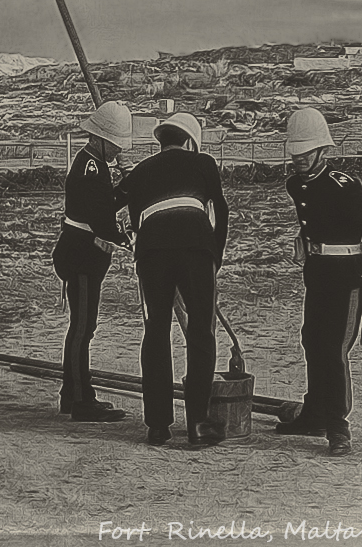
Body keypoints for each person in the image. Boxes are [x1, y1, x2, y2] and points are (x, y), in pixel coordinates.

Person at [278, 107, 362, 456]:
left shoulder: (343, 186)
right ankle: (313, 413)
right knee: (311, 340)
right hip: (317, 275)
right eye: (295, 151)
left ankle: (338, 425)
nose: (299, 158)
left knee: (334, 349)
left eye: (306, 151)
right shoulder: (295, 184)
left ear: (322, 150)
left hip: (347, 279)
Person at [112, 113, 229, 447]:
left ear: (161, 142)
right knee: (201, 333)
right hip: (196, 249)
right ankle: (198, 423)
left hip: (152, 253)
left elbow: (128, 213)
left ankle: (158, 426)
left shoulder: (140, 172)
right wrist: (214, 255)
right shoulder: (204, 162)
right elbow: (220, 210)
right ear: (190, 141)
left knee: (156, 333)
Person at [51, 101, 132, 422]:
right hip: (81, 255)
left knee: (84, 327)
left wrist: (126, 187)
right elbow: (101, 216)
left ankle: (72, 395)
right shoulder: (91, 167)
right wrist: (125, 238)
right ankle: (81, 400)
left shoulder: (93, 163)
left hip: (83, 253)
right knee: (82, 328)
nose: (117, 150)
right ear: (99, 138)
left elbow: (105, 204)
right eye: (114, 143)